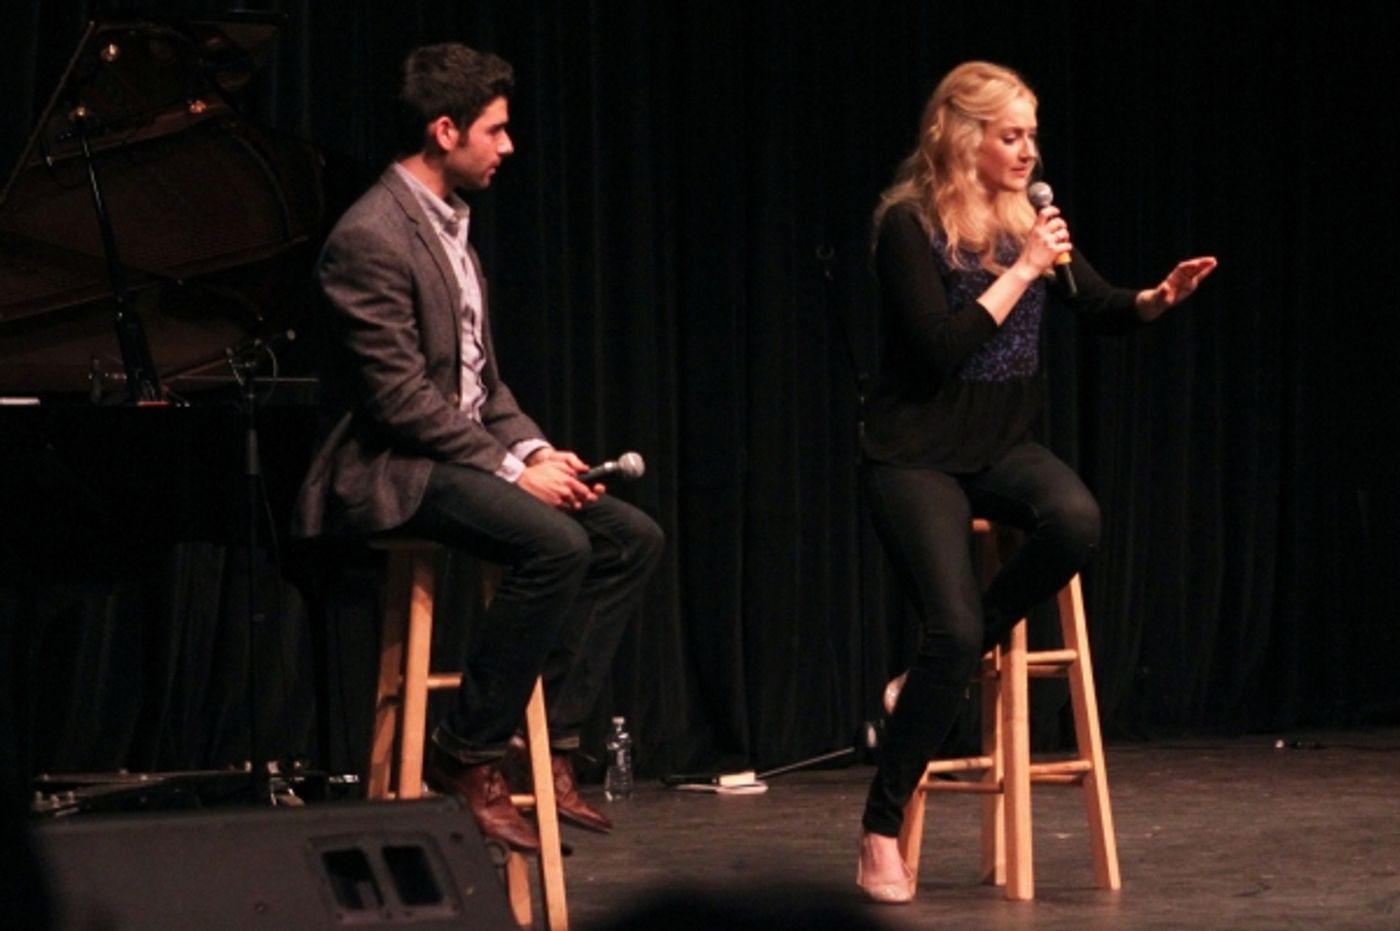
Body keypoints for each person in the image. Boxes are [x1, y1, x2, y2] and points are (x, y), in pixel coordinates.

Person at [855, 61, 1216, 903]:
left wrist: (1158, 298)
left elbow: (1094, 302)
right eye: (1011, 135)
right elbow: (938, 349)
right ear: (962, 134)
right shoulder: (907, 226)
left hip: (1000, 446)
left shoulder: (1031, 214)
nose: (1028, 151)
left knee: (1075, 519)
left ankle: (941, 669)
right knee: (946, 624)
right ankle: (879, 830)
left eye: (1032, 135)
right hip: (914, 452)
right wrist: (1019, 270)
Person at [293, 42, 663, 852]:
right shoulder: (371, 236)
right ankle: (465, 756)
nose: (509, 147)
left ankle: (551, 742)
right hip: (392, 465)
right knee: (555, 543)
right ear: (444, 129)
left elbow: (481, 383)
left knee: (631, 537)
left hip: (455, 451)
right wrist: (508, 471)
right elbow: (399, 402)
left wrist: (534, 450)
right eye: (495, 132)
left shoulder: (453, 225)